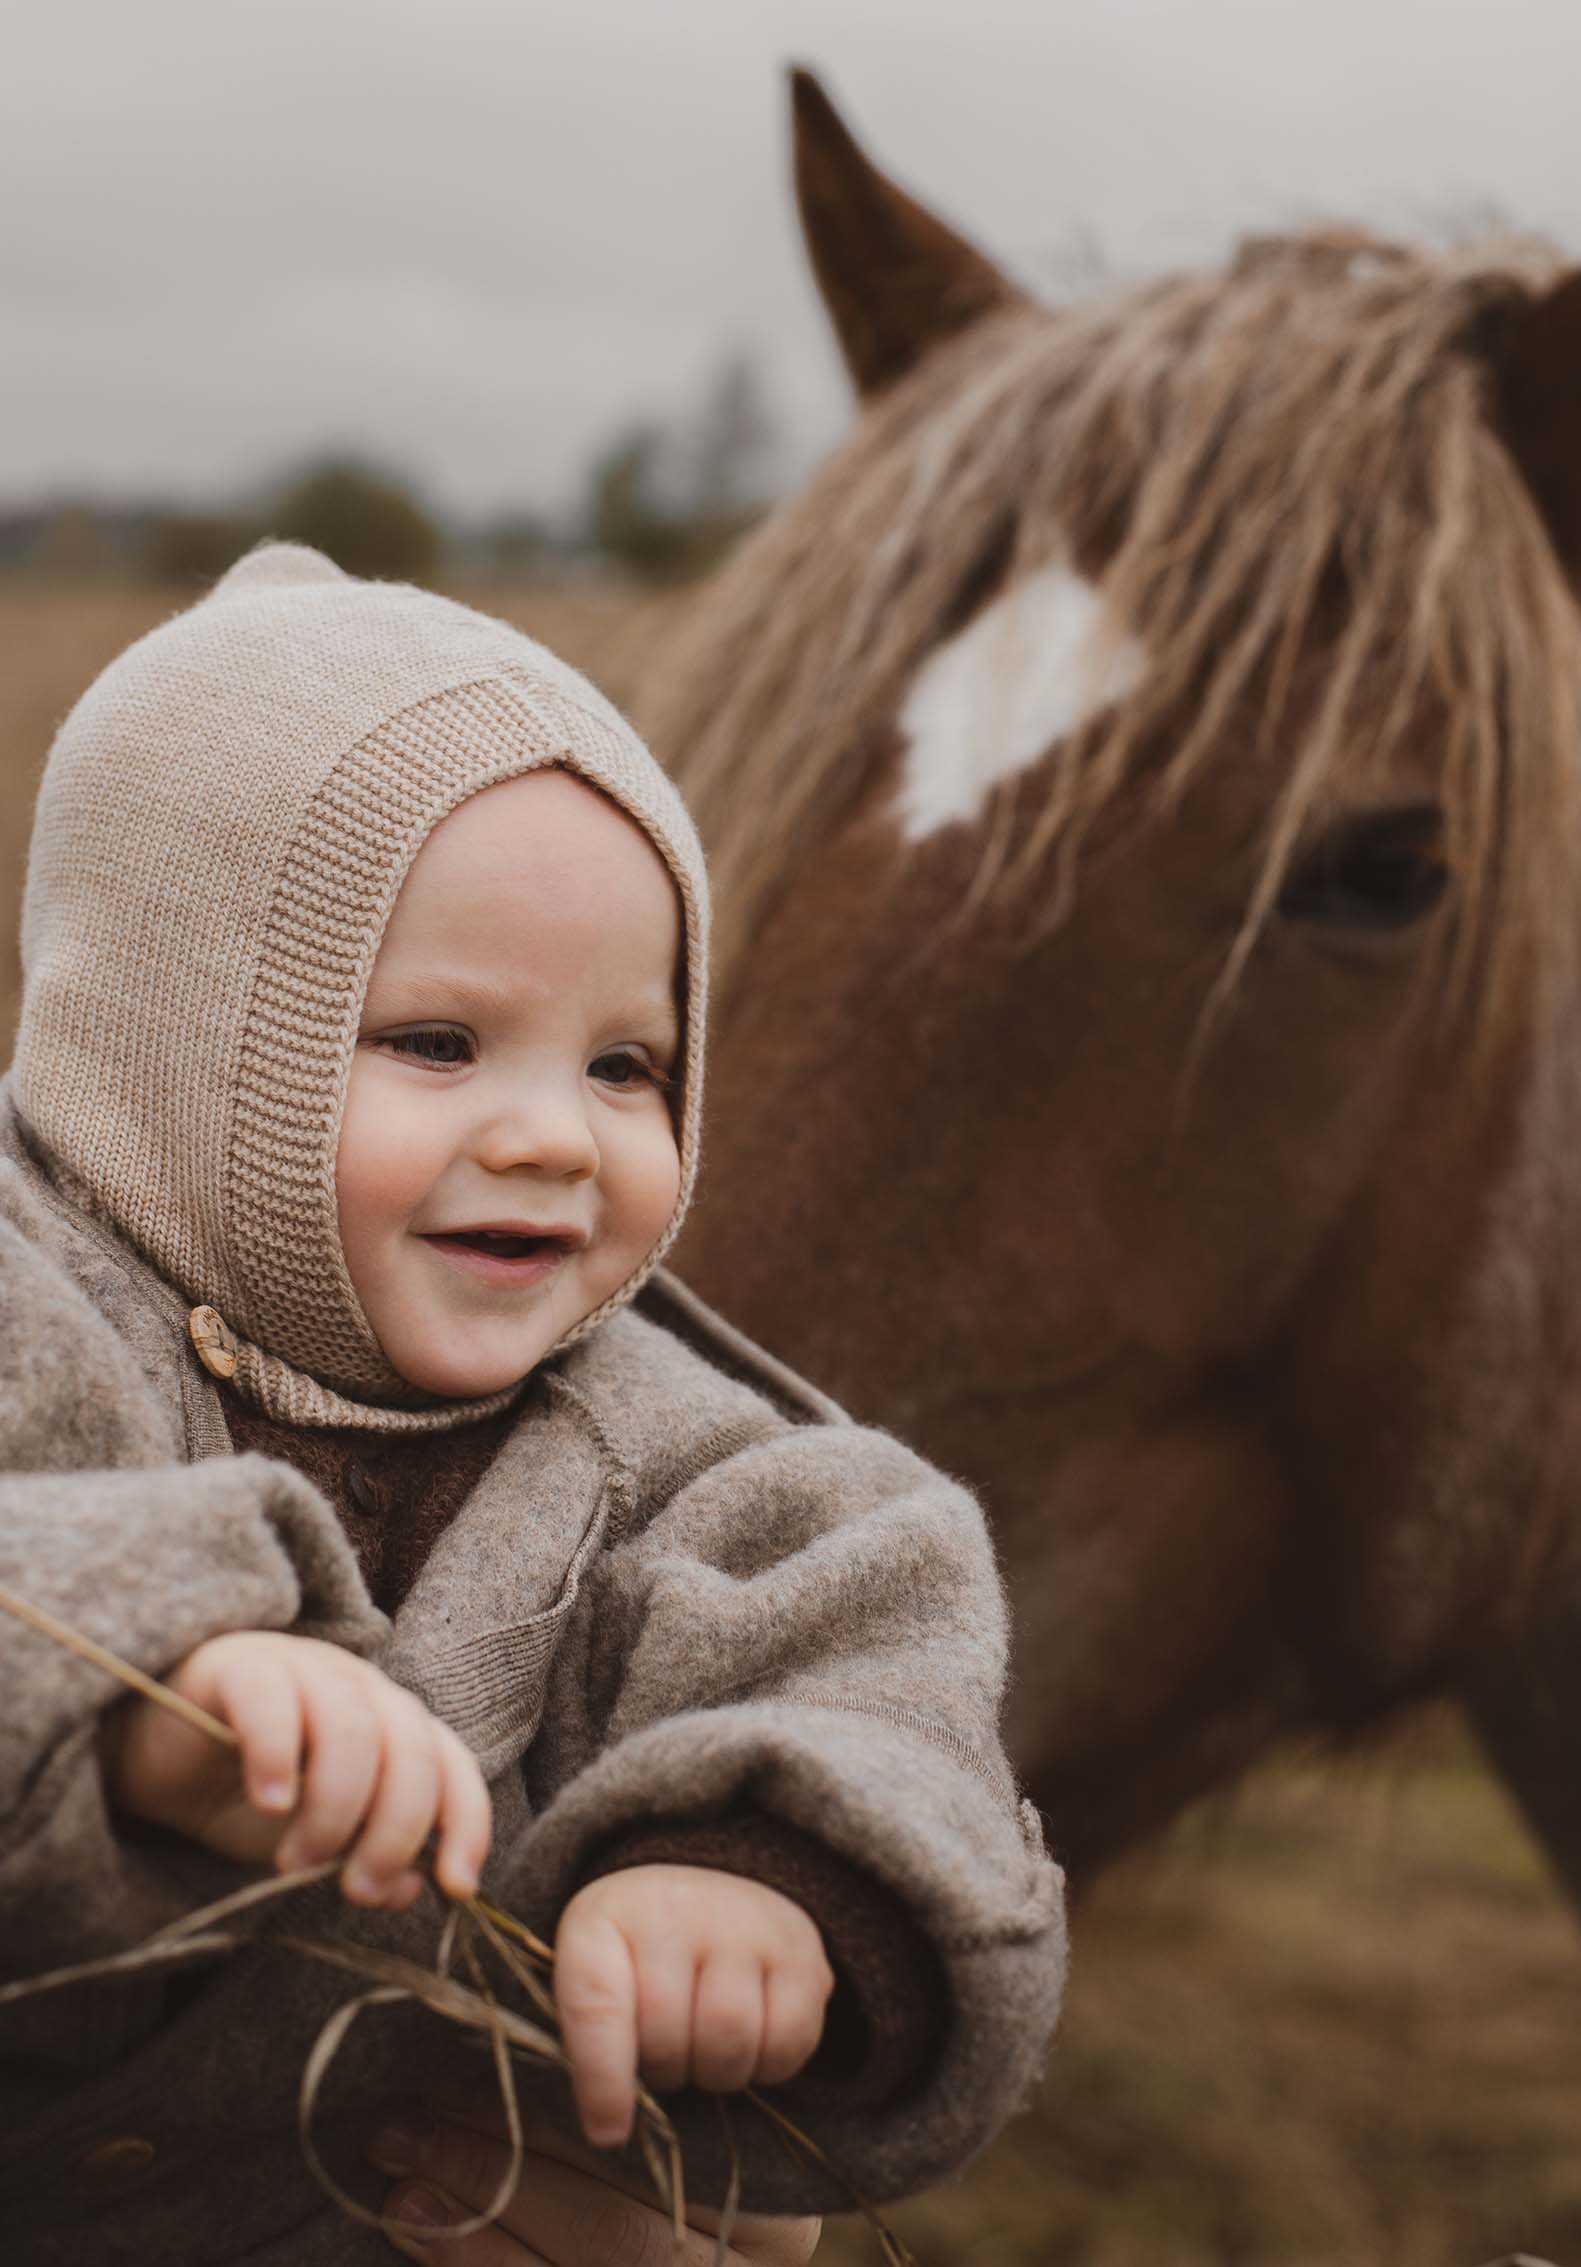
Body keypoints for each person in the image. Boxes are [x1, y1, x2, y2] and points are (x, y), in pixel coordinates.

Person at [0, 544, 1065, 2264]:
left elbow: (868, 1645)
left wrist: (757, 1870)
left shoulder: (669, 1447)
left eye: (625, 1065)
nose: (557, 1136)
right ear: (164, 1039)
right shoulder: (28, 1308)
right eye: (437, 1042)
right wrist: (144, 1689)